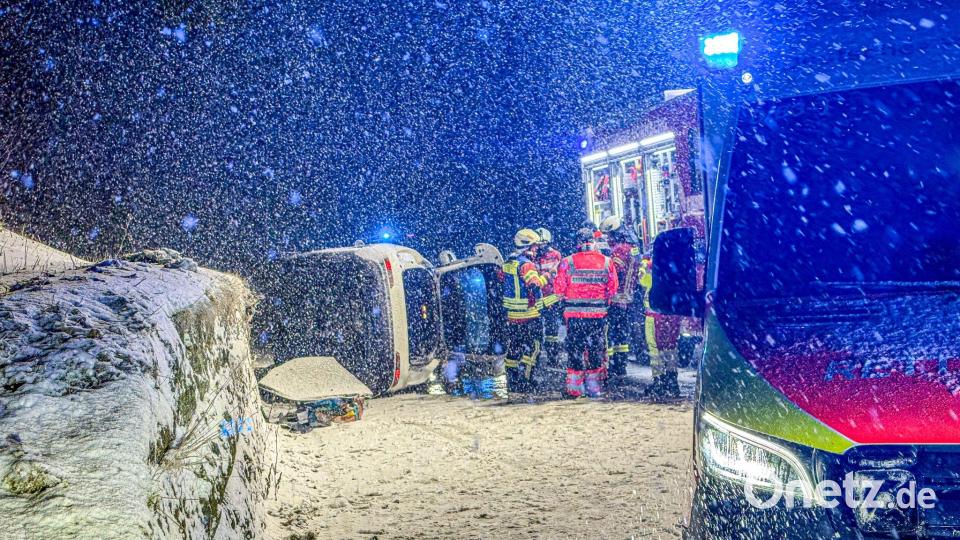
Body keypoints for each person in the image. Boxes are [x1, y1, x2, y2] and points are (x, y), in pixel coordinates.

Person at [553, 227, 618, 398]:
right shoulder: (606, 262)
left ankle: (574, 390)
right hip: (598, 316)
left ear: (577, 243)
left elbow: (558, 290)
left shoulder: (568, 262)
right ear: (594, 241)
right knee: (595, 350)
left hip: (575, 316)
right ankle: (593, 388)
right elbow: (613, 289)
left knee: (575, 350)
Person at [500, 228, 548, 394]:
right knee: (533, 349)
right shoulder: (526, 265)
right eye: (534, 246)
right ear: (527, 246)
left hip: (512, 316)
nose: (536, 250)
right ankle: (527, 381)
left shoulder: (508, 263)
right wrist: (548, 276)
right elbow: (534, 284)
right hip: (529, 315)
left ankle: (512, 382)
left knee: (513, 349)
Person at [599, 215, 643, 382]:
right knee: (621, 334)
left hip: (615, 298)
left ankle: (612, 366)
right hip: (628, 298)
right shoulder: (633, 247)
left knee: (611, 333)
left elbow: (614, 271)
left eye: (609, 235)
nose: (608, 239)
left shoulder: (620, 250)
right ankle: (621, 365)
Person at [639, 255, 682, 398]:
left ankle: (659, 380)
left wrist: (643, 266)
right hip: (672, 316)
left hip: (654, 316)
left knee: (655, 349)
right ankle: (672, 380)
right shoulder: (676, 268)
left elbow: (642, 280)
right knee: (671, 347)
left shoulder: (652, 268)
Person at [534, 227, 563, 367]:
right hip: (537, 298)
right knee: (537, 330)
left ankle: (553, 356)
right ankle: (536, 356)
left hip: (551, 298)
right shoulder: (533, 256)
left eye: (542, 244)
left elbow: (558, 275)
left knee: (552, 330)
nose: (540, 247)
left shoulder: (555, 255)